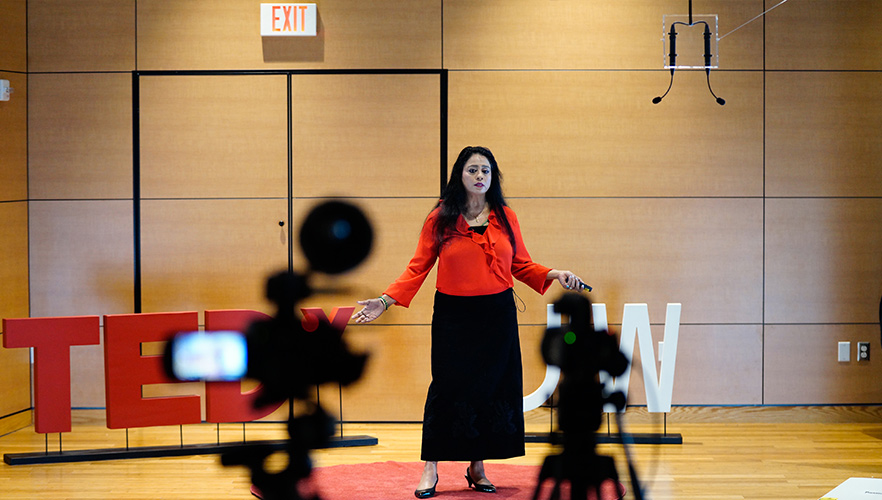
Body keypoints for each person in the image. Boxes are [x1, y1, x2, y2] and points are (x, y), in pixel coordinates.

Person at [352, 146, 587, 498]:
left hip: (497, 316)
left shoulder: (506, 216)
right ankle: (430, 467)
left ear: (493, 178)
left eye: (486, 171)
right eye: (472, 170)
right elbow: (418, 266)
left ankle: (477, 467)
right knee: (447, 389)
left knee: (490, 391)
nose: (480, 176)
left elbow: (520, 264)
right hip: (453, 317)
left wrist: (555, 273)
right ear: (459, 175)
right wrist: (385, 301)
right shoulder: (441, 218)